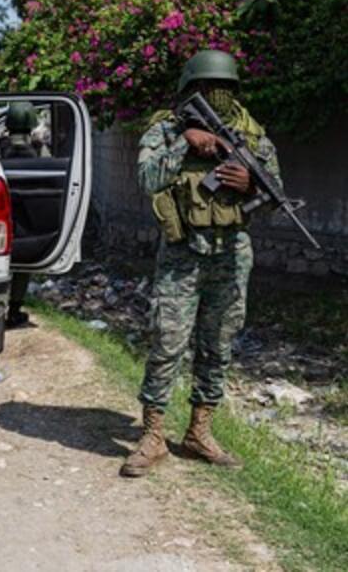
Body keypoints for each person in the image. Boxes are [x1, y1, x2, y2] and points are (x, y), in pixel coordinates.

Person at [121, 50, 282, 477]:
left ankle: (198, 432)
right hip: (182, 255)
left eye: (227, 88)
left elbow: (275, 198)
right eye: (210, 88)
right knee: (167, 343)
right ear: (189, 91)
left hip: (231, 256)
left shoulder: (250, 135)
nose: (219, 94)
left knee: (218, 346)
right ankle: (153, 435)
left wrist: (250, 185)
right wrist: (184, 141)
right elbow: (147, 179)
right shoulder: (165, 129)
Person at [0, 102, 39, 327]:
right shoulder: (37, 150)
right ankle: (14, 309)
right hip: (26, 213)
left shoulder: (0, 147)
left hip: (0, 211)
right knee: (22, 264)